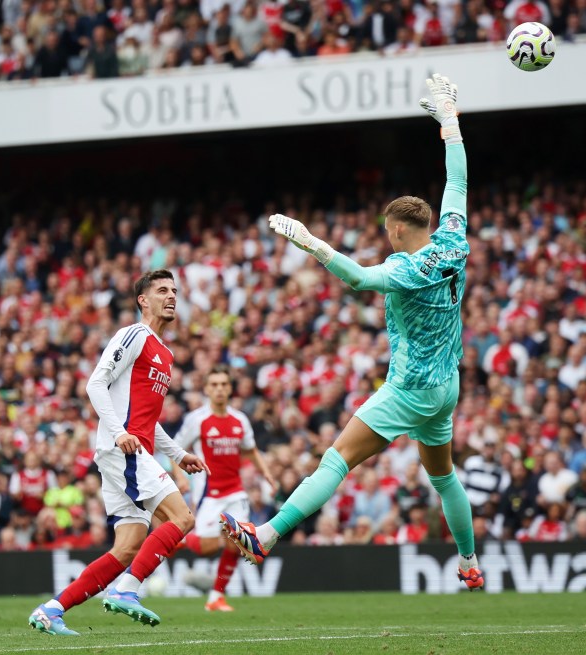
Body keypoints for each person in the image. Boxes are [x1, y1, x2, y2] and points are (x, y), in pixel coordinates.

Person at [220, 74, 485, 591]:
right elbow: (458, 181)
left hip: (409, 390)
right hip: (446, 385)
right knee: (444, 475)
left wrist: (312, 244)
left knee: (335, 460)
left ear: (397, 229)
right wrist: (450, 121)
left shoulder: (410, 268)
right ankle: (470, 563)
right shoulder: (453, 235)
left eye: (386, 229)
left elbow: (361, 278)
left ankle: (267, 535)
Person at [28, 270, 209, 636]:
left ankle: (51, 610)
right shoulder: (134, 334)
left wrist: (178, 454)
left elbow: (149, 419)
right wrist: (119, 432)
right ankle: (127, 590)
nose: (171, 296)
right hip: (122, 448)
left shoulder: (166, 353)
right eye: (162, 290)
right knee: (182, 518)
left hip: (131, 448)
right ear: (143, 300)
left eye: (174, 290)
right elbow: (95, 383)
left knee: (126, 549)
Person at [171, 364, 277, 612]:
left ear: (230, 389)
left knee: (236, 543)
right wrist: (181, 477)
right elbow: (174, 450)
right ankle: (181, 541)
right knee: (207, 548)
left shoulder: (240, 420)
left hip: (236, 492)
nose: (219, 389)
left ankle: (215, 598)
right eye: (214, 385)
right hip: (209, 494)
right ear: (207, 389)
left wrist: (268, 475)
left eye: (224, 385)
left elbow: (250, 450)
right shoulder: (197, 420)